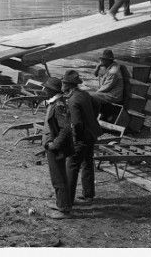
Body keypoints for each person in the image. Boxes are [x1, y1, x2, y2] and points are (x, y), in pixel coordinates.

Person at [62, 69, 101, 206]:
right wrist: (90, 118)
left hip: (81, 138)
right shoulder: (84, 94)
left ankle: (67, 200)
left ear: (68, 85)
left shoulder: (72, 100)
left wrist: (74, 140)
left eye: (63, 83)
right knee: (87, 163)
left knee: (72, 167)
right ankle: (88, 195)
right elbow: (96, 105)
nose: (62, 85)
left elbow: (77, 123)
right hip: (91, 134)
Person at [40, 76, 73, 219]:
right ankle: (61, 203)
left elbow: (66, 128)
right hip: (52, 146)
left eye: (46, 88)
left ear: (52, 90)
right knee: (58, 177)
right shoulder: (54, 103)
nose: (44, 90)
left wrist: (55, 144)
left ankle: (64, 209)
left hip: (56, 148)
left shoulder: (58, 105)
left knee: (58, 178)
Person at [90, 49, 126, 117]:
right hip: (107, 94)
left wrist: (95, 94)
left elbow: (105, 88)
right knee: (88, 95)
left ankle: (93, 117)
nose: (101, 61)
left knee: (89, 96)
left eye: (103, 59)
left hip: (113, 96)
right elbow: (95, 74)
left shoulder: (113, 71)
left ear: (109, 60)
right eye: (101, 59)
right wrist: (97, 67)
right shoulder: (106, 67)